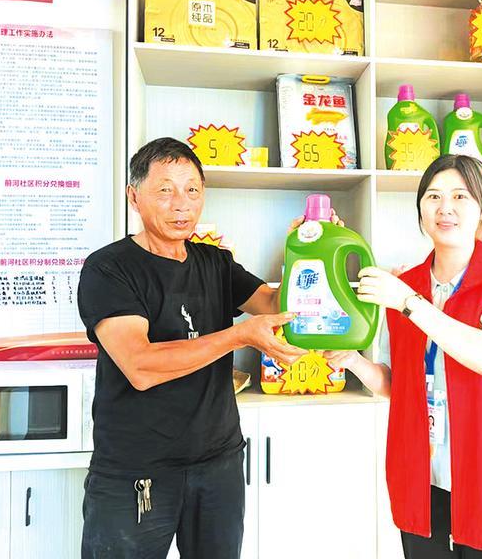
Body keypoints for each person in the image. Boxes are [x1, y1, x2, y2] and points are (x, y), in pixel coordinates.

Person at [77, 137, 321, 559]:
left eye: (192, 190)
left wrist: (306, 251)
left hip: (218, 464)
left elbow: (276, 306)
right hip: (136, 471)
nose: (181, 204)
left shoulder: (215, 262)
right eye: (165, 190)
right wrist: (239, 336)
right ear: (134, 197)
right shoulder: (109, 268)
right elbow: (140, 366)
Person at [326, 154, 482, 558]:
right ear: (420, 210)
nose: (445, 207)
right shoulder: (407, 284)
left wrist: (409, 303)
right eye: (433, 196)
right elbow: (400, 386)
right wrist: (355, 361)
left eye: (460, 196)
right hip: (425, 486)